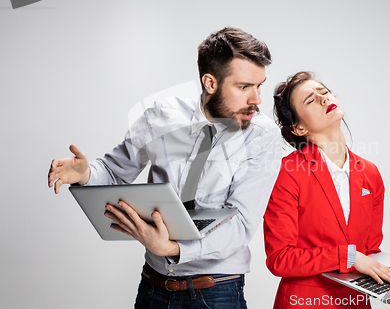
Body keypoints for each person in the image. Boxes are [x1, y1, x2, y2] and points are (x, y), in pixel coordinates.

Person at [47, 27, 282, 309]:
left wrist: (173, 249)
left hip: (217, 291)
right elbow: (112, 171)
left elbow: (242, 224)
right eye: (244, 87)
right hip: (154, 286)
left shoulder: (261, 135)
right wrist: (86, 174)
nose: (256, 99)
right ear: (210, 83)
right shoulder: (161, 116)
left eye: (260, 86)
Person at [263, 72, 390, 308]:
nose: (323, 99)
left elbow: (369, 251)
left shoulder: (370, 173)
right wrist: (348, 257)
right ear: (298, 128)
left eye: (324, 92)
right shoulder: (290, 172)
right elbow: (280, 259)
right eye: (310, 100)